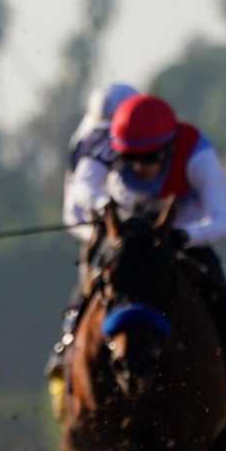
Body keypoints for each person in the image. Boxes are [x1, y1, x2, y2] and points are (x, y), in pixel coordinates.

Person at [74, 93, 226, 385]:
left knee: (217, 287)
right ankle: (65, 352)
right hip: (127, 228)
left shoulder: (198, 156)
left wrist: (183, 236)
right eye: (130, 157)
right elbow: (83, 187)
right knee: (94, 278)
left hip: (182, 230)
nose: (138, 167)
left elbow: (223, 223)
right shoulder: (105, 145)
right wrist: (103, 207)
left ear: (169, 148)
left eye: (148, 158)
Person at [46, 82, 137, 390]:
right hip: (91, 225)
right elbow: (76, 207)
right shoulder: (87, 142)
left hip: (133, 224)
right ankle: (65, 345)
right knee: (95, 279)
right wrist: (103, 222)